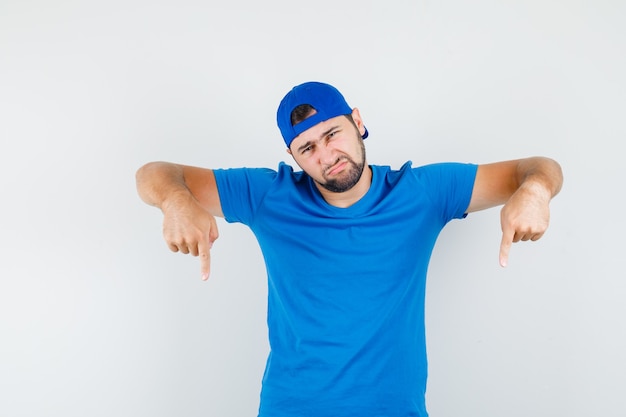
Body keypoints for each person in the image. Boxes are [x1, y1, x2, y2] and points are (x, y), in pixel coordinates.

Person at [135, 81, 563, 417]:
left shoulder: (422, 193)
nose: (327, 154)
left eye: (332, 133)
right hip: (290, 410)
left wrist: (536, 191)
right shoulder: (268, 194)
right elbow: (155, 173)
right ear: (293, 155)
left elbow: (538, 167)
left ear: (357, 121)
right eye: (308, 147)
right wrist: (176, 201)